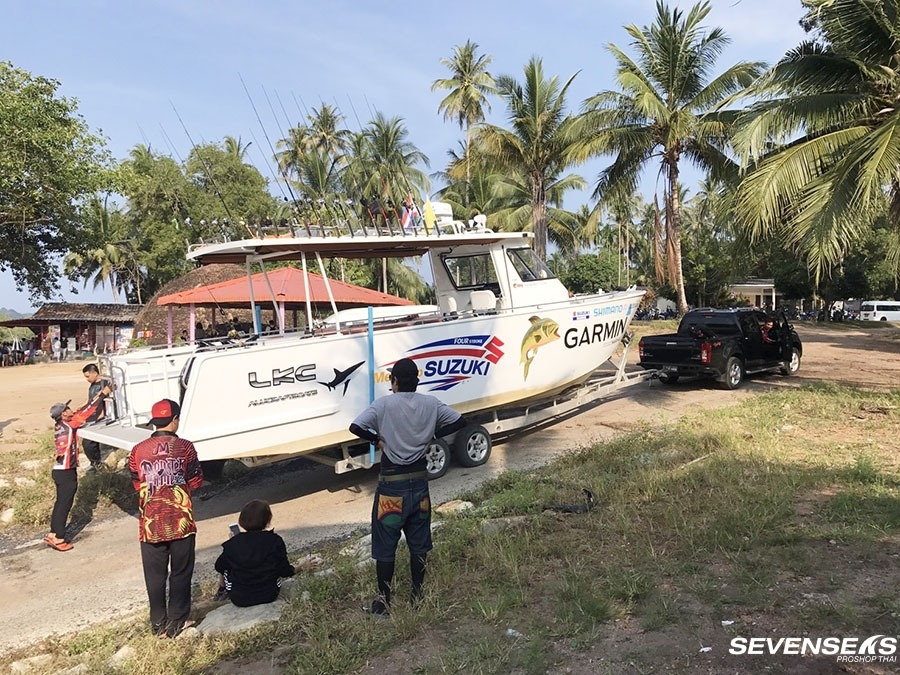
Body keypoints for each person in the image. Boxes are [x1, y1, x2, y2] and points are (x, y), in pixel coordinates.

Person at [349, 358, 466, 615]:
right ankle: (417, 595)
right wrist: (432, 437)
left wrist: (377, 439)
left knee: (385, 545)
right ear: (417, 381)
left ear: (395, 382)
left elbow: (355, 426)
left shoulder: (383, 404)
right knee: (419, 542)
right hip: (420, 485)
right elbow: (459, 421)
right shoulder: (431, 404)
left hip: (391, 488)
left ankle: (383, 602)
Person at [128, 398, 204, 638]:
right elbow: (196, 481)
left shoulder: (137, 450)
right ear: (174, 420)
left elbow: (136, 484)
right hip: (180, 521)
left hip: (150, 524)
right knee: (181, 571)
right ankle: (177, 621)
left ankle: (158, 625)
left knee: (155, 575)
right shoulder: (185, 447)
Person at [46, 395, 107, 551]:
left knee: (60, 503)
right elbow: (85, 412)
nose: (70, 409)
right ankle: (59, 538)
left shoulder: (61, 425)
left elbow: (80, 410)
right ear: (64, 415)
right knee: (64, 504)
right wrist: (103, 395)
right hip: (66, 472)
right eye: (67, 408)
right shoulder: (69, 425)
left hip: (60, 471)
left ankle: (54, 533)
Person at [213, 500, 298, 607]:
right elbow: (284, 570)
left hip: (239, 597)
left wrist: (233, 543)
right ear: (267, 520)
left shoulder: (233, 544)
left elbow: (218, 566)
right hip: (269, 593)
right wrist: (299, 567)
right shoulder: (275, 540)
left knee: (226, 564)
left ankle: (222, 589)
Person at [81, 363, 112, 471]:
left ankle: (96, 463)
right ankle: (95, 462)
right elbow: (90, 400)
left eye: (87, 376)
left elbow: (101, 401)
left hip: (99, 417)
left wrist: (101, 417)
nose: (86, 379)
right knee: (89, 442)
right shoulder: (93, 385)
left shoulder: (104, 384)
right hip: (91, 416)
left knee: (88, 442)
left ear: (94, 373)